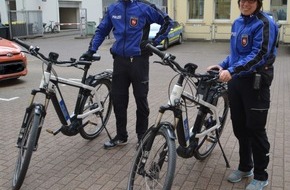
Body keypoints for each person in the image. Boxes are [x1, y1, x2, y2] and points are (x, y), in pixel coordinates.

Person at [80, 0, 173, 149]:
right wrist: (91, 50)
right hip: (120, 62)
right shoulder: (113, 8)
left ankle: (142, 138)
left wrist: (154, 43)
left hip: (139, 62)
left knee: (141, 101)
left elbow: (168, 22)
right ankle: (121, 136)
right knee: (118, 101)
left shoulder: (145, 7)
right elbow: (102, 30)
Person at [207, 0, 278, 189]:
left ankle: (261, 176)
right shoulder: (238, 22)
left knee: (255, 130)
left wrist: (233, 70)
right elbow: (235, 54)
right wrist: (223, 65)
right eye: (242, 0)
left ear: (258, 2)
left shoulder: (264, 23)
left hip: (255, 83)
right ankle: (246, 167)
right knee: (240, 128)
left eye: (251, 0)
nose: (245, 4)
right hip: (236, 82)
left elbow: (259, 55)